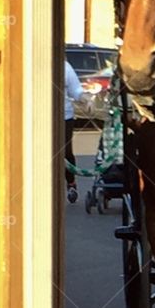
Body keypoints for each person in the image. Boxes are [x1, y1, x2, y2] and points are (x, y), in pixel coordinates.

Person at [63, 58, 83, 203]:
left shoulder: (65, 67)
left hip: (64, 116)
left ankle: (71, 183)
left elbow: (75, 89)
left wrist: (84, 98)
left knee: (66, 151)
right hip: (40, 116)